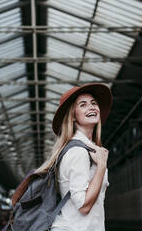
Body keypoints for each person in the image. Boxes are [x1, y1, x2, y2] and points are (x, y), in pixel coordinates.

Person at [35, 83, 112, 231]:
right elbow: (83, 205)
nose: (91, 107)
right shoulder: (78, 152)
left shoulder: (89, 150)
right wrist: (101, 166)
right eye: (83, 105)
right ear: (72, 117)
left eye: (93, 103)